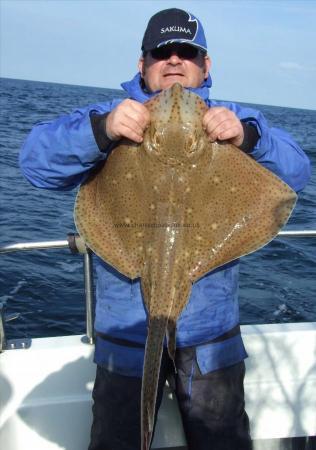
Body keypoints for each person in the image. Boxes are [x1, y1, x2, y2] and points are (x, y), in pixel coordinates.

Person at [20, 8, 311, 450]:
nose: (174, 61)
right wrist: (100, 131)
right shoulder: (109, 117)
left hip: (211, 340)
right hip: (126, 336)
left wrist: (249, 139)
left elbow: (298, 171)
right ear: (142, 64)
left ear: (205, 65)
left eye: (187, 53)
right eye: (162, 53)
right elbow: (34, 163)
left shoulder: (236, 119)